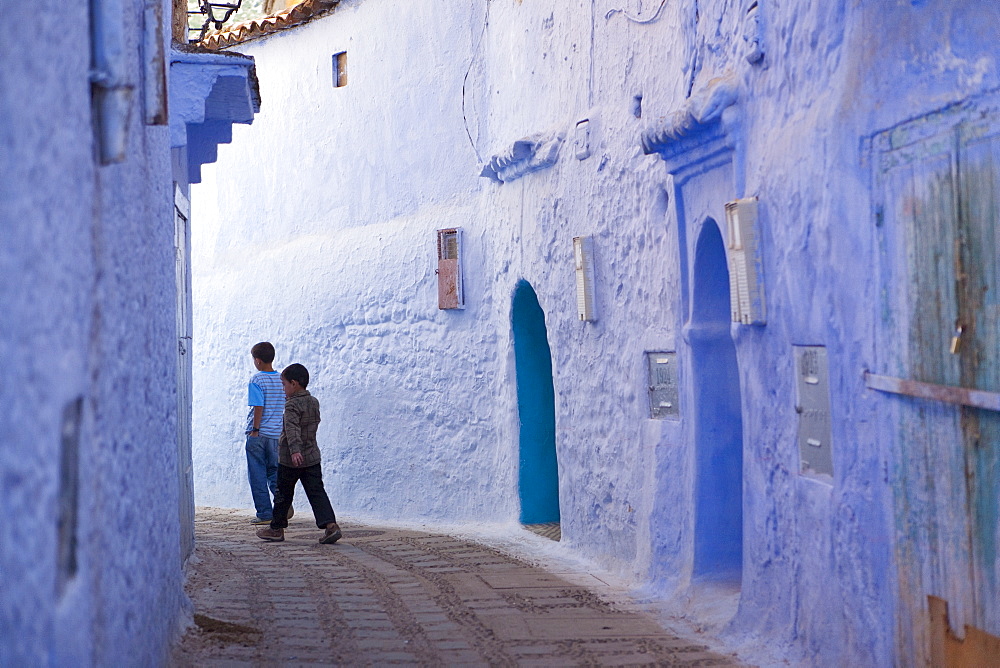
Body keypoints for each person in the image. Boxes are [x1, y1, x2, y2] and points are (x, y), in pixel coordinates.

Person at [256, 363, 342, 544]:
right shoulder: (313, 402)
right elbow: (312, 426)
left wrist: (295, 451)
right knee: (317, 491)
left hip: (290, 459)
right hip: (312, 456)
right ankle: (331, 526)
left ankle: (276, 528)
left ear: (294, 384)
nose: (283, 388)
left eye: (284, 384)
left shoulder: (291, 405)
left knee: (283, 493)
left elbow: (292, 429)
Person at [244, 342, 292, 525]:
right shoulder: (282, 379)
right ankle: (284, 504)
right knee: (274, 472)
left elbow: (258, 406)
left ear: (257, 361)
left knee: (257, 474)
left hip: (259, 434)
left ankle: (265, 513)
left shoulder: (257, 380)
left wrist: (255, 430)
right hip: (276, 434)